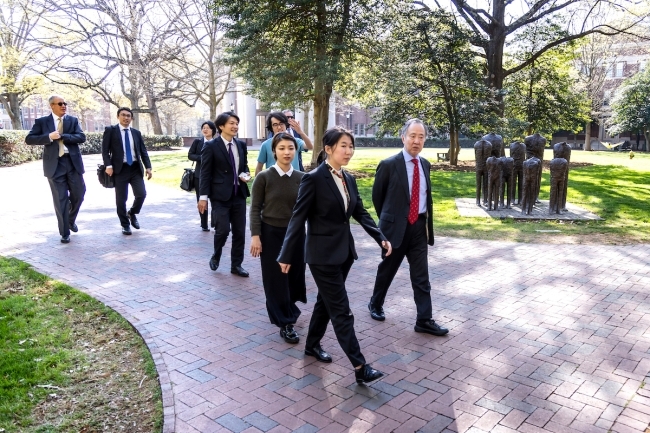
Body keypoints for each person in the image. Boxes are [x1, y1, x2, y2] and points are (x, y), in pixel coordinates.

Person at [278, 126, 391, 384]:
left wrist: (380, 237)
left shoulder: (348, 178)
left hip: (343, 254)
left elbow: (359, 212)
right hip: (321, 256)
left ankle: (312, 345)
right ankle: (360, 366)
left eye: (351, 146)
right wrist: (286, 254)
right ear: (328, 148)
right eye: (343, 146)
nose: (348, 151)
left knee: (325, 303)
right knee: (342, 310)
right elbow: (298, 218)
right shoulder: (314, 179)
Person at [368, 118, 449, 336]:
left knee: (421, 276)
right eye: (412, 136)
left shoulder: (424, 165)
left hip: (418, 228)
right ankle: (375, 304)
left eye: (421, 137)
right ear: (403, 137)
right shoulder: (388, 165)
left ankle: (424, 319)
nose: (416, 141)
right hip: (395, 229)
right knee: (387, 270)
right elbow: (378, 198)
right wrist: (389, 222)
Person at [249, 132, 306, 344]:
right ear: (274, 151)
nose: (286, 152)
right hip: (270, 233)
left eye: (290, 148)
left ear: (296, 150)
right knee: (275, 279)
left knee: (293, 275)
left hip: (296, 234)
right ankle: (285, 323)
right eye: (282, 148)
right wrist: (256, 236)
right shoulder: (264, 177)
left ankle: (288, 308)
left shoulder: (302, 178)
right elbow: (254, 209)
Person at [25, 95, 86, 243]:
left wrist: (63, 136)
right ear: (52, 105)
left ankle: (70, 219)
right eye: (60, 103)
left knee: (79, 193)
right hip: (54, 165)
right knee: (61, 199)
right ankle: (65, 232)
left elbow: (81, 137)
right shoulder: (42, 122)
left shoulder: (72, 120)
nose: (63, 106)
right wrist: (49, 137)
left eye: (65, 103)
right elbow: (29, 139)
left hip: (72, 163)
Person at [198, 112, 251, 277]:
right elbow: (205, 173)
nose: (235, 126)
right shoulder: (211, 146)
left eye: (237, 123)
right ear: (221, 126)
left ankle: (236, 265)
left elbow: (245, 166)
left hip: (239, 194)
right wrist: (203, 198)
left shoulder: (241, 145)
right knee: (222, 230)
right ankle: (217, 253)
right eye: (231, 123)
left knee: (239, 232)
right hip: (220, 196)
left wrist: (246, 175)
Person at [101, 107, 152, 235]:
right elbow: (105, 151)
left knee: (141, 194)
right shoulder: (111, 131)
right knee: (121, 199)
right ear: (118, 116)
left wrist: (148, 167)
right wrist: (108, 165)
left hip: (135, 168)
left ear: (131, 118)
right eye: (123, 115)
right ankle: (125, 225)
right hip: (120, 169)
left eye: (128, 116)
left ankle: (132, 213)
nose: (126, 118)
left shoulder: (136, 133)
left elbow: (143, 151)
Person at [188, 121, 217, 231]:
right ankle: (204, 224)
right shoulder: (197, 142)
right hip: (199, 176)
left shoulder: (217, 143)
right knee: (201, 200)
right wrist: (203, 158)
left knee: (215, 201)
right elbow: (190, 155)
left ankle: (215, 222)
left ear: (213, 131)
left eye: (208, 128)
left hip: (214, 177)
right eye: (203, 128)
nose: (205, 130)